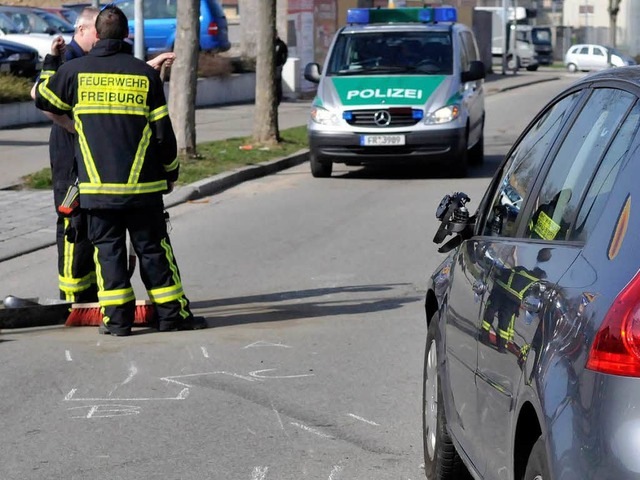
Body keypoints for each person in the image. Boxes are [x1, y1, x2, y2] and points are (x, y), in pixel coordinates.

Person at [34, 5, 204, 336]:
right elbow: (163, 133)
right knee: (154, 251)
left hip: (98, 191)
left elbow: (44, 98)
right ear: (127, 35)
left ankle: (117, 321)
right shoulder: (144, 75)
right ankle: (172, 316)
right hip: (143, 188)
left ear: (96, 34)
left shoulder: (75, 73)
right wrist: (170, 173)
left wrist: (50, 63)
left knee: (108, 255)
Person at [274, 30, 288, 106]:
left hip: (278, 66)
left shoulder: (281, 44)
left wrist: (282, 63)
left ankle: (278, 98)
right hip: (270, 68)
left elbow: (285, 55)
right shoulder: (269, 44)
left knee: (277, 82)